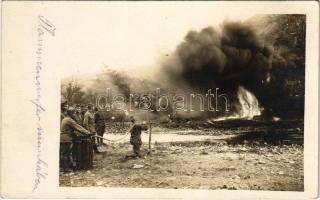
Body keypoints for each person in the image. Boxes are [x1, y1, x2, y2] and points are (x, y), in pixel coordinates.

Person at [60, 107, 91, 171]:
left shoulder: (65, 119)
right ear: (71, 113)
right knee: (65, 154)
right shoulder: (69, 120)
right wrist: (88, 133)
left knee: (66, 153)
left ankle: (67, 166)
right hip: (65, 138)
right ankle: (65, 168)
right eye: (73, 113)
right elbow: (78, 127)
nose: (74, 114)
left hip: (64, 138)